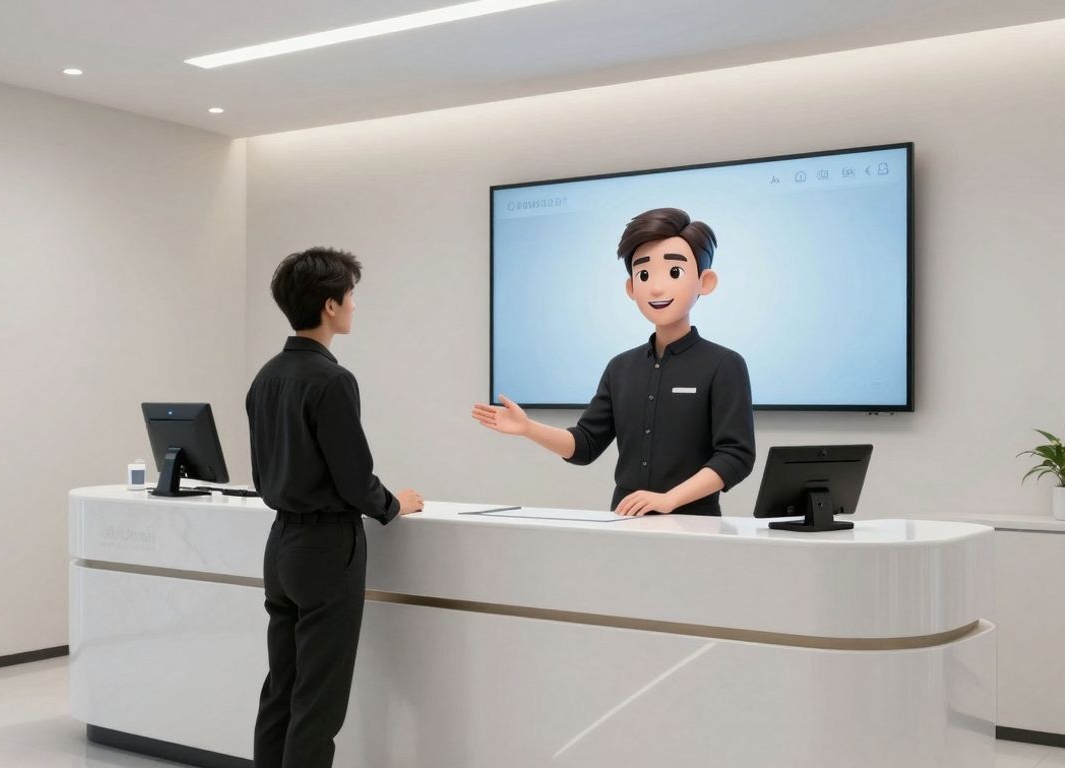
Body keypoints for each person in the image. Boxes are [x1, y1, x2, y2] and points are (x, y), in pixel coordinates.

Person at [248, 246, 424, 768]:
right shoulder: (332, 380)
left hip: (280, 545)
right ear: (330, 305)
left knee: (282, 686)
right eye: (350, 296)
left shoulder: (266, 377)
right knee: (319, 701)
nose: (354, 306)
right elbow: (354, 478)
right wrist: (394, 504)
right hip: (327, 549)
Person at [472, 207, 755, 516]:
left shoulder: (724, 364)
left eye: (674, 272)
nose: (656, 288)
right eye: (644, 274)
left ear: (705, 281)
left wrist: (670, 499)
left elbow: (736, 456)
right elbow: (584, 445)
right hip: (624, 523)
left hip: (695, 525)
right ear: (632, 288)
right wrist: (528, 428)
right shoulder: (620, 368)